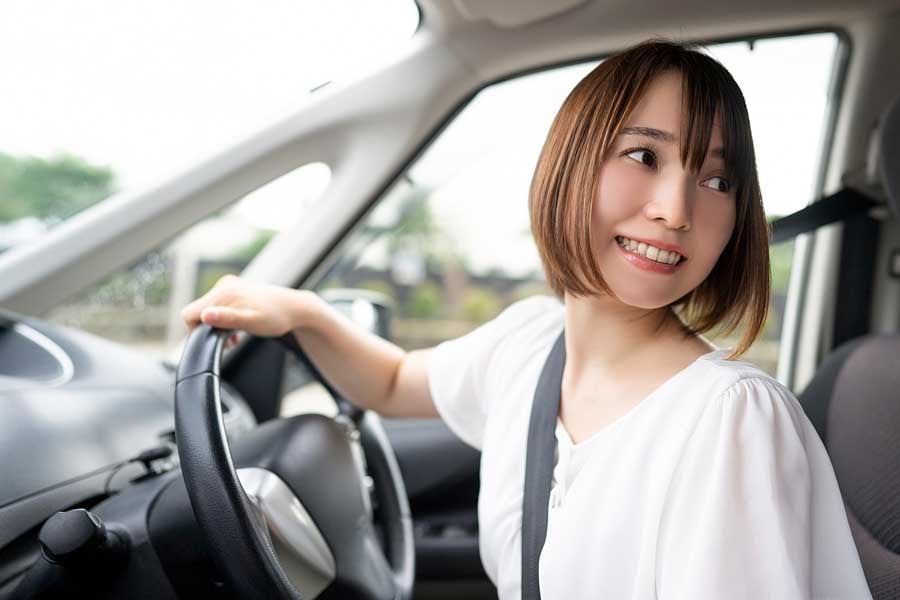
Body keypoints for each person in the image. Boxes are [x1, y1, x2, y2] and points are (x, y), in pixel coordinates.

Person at [182, 39, 872, 600]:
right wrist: (299, 311)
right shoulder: (529, 345)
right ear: (569, 166)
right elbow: (392, 382)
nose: (677, 208)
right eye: (644, 156)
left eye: (717, 180)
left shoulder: (730, 420)